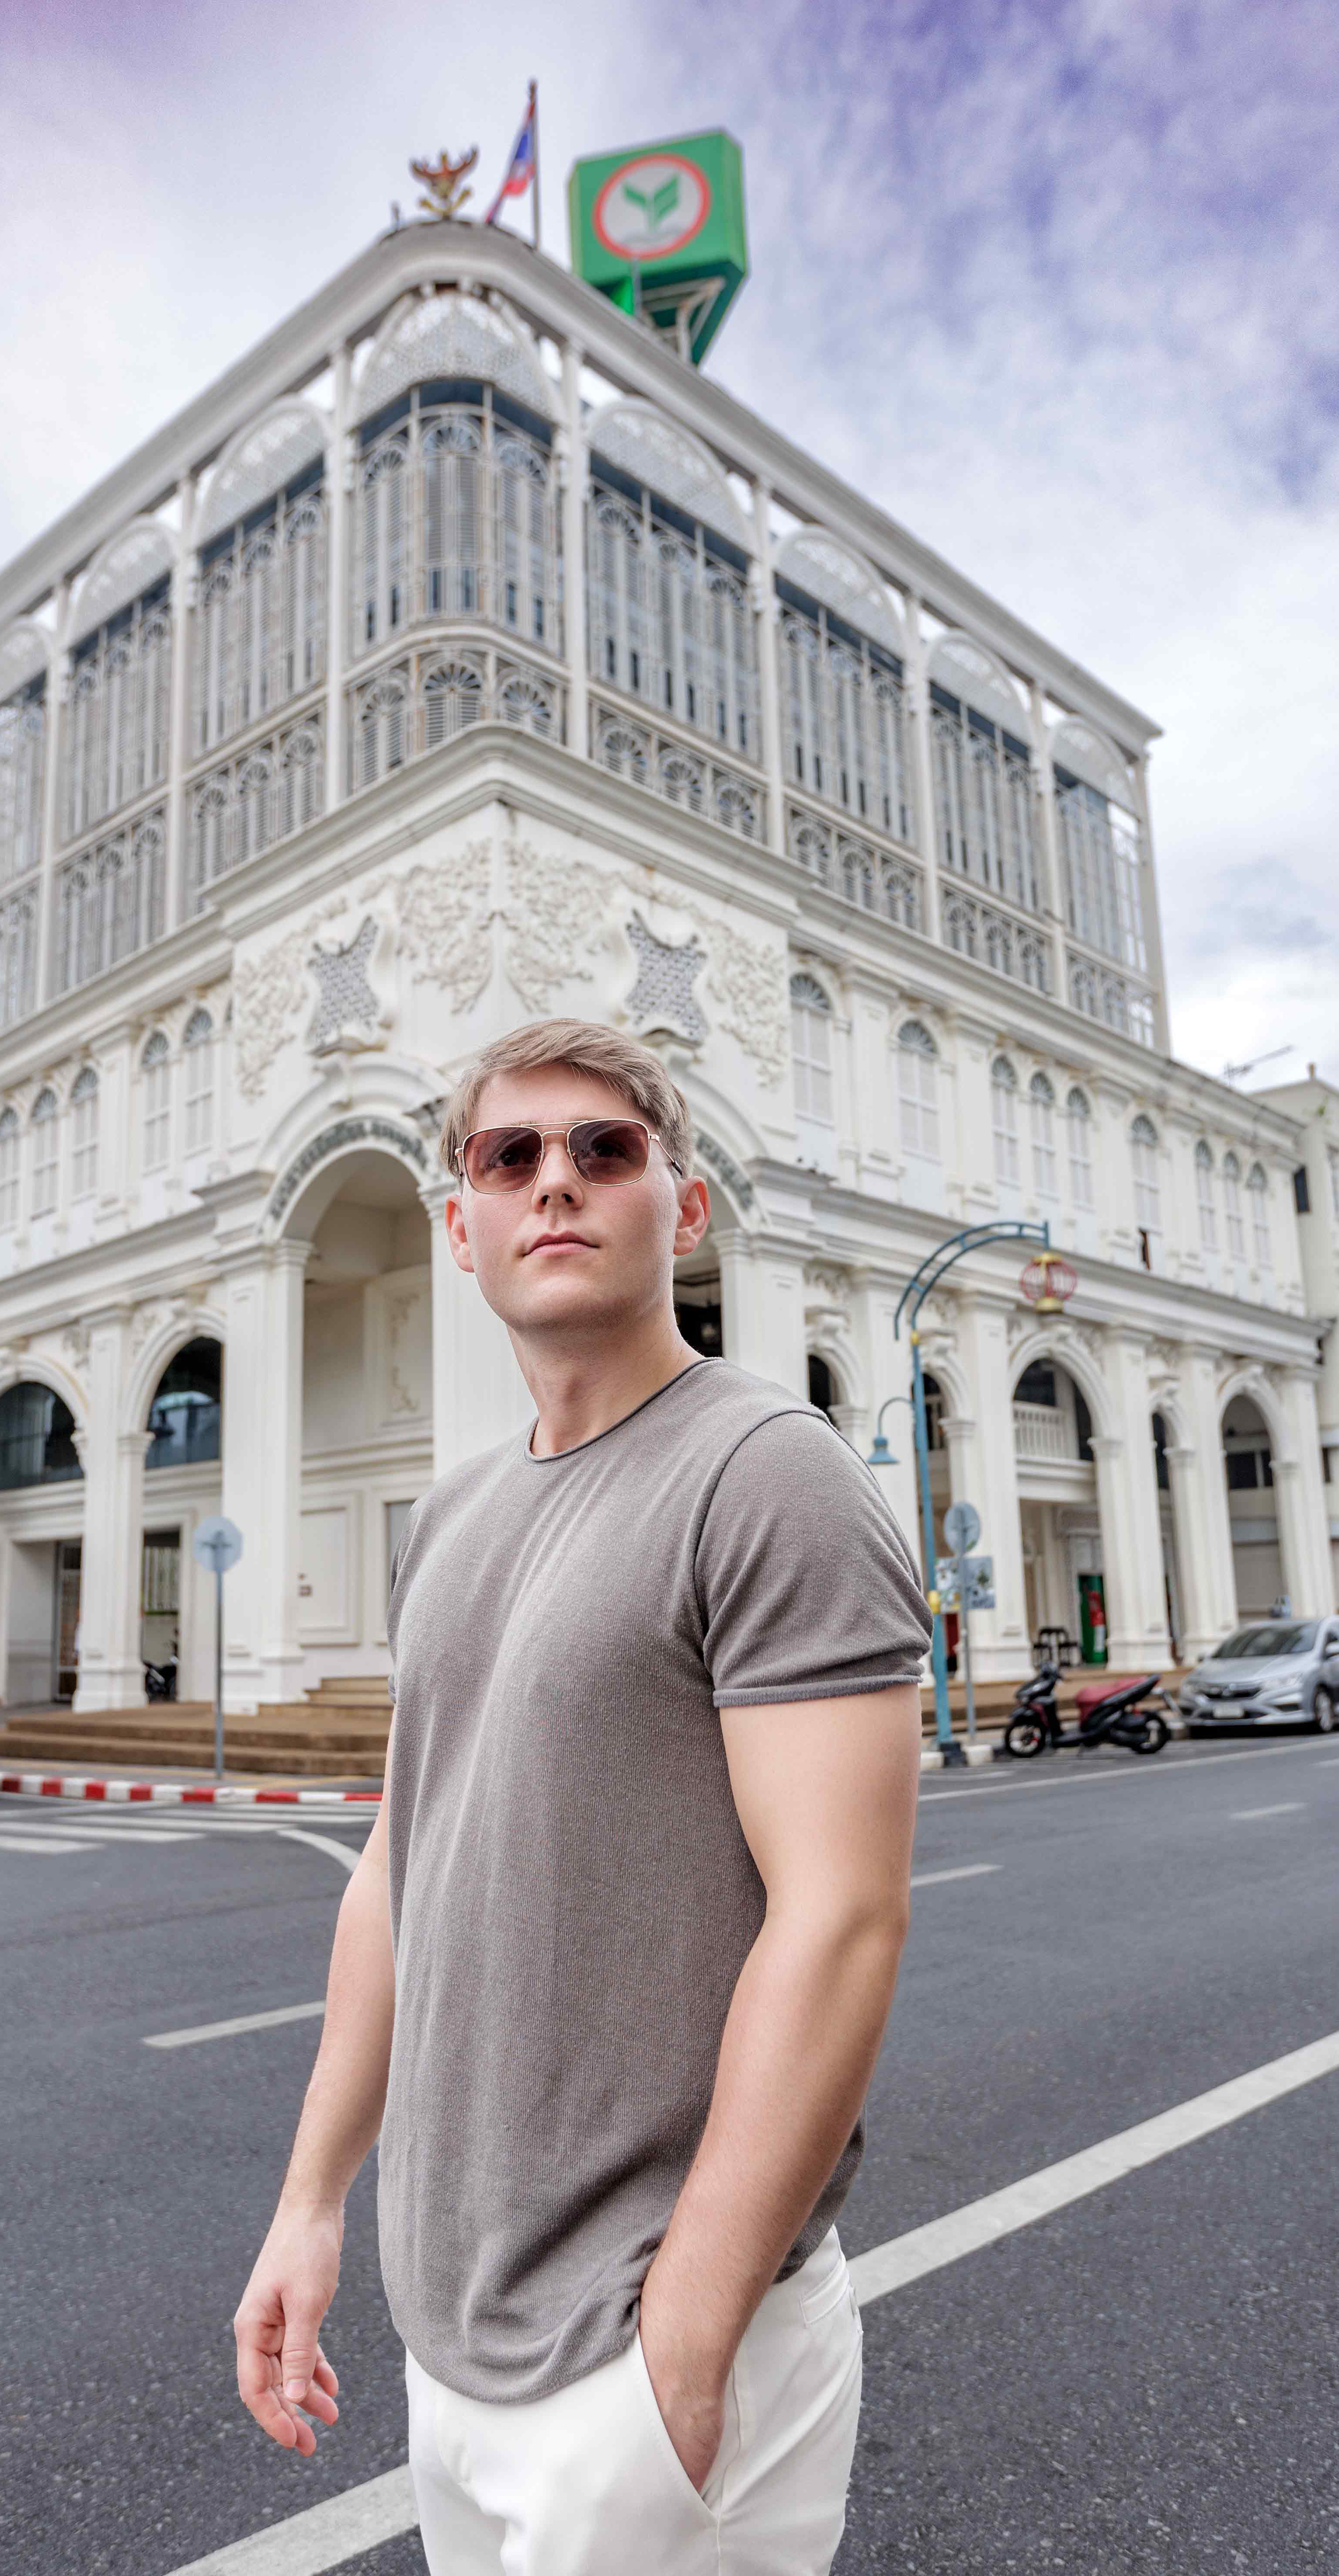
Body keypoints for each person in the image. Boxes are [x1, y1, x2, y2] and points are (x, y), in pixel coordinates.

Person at [234, 1019, 930, 2573]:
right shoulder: (457, 1514)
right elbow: (394, 1876)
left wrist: (681, 2344)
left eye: (605, 1149)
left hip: (650, 2345)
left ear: (680, 1212)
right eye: (512, 1156)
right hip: (456, 2333)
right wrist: (312, 2202)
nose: (558, 1183)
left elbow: (843, 1921)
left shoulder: (769, 1474)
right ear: (460, 1227)